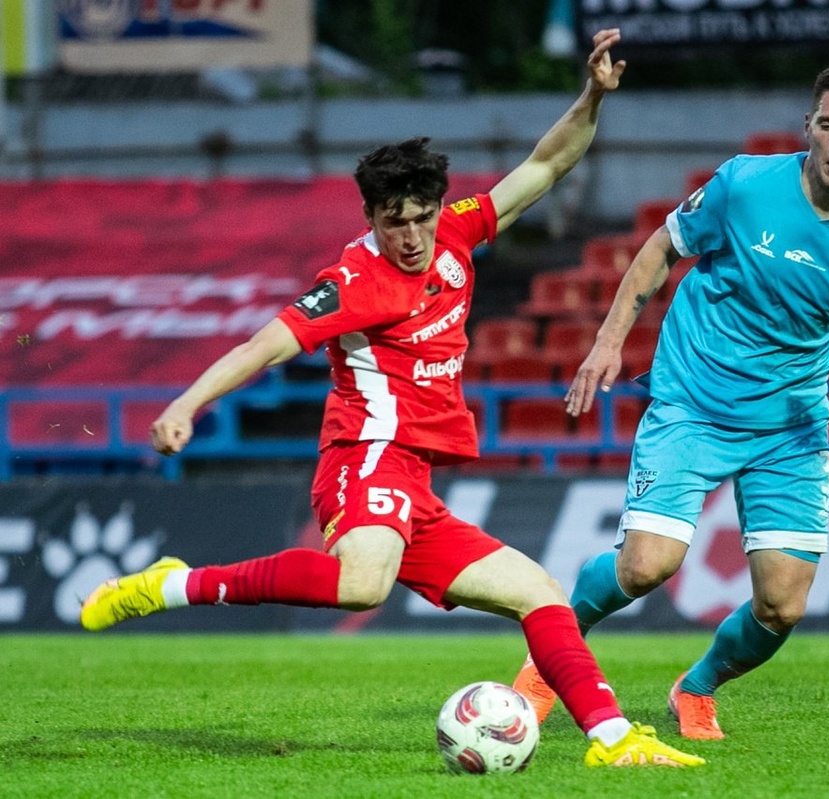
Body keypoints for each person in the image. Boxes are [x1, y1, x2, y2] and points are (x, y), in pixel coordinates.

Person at [80, 29, 704, 770]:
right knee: (363, 582)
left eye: (421, 216)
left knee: (541, 594)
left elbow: (546, 164)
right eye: (393, 221)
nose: (411, 236)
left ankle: (613, 740)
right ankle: (175, 584)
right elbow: (263, 345)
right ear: (371, 218)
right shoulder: (354, 282)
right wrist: (187, 403)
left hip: (413, 481)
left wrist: (592, 96)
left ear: (438, 206)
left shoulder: (457, 233)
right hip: (366, 455)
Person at [514, 63, 829, 740]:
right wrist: (608, 342)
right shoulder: (745, 184)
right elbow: (660, 248)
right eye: (827, 125)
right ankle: (549, 653)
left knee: (782, 607)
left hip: (789, 429)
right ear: (808, 127)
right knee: (646, 566)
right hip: (692, 404)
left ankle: (696, 686)